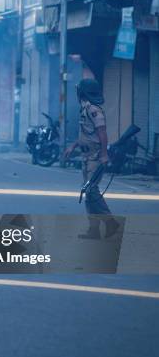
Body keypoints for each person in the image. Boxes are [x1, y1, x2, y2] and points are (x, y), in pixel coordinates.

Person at [64, 79, 120, 239]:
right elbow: (87, 133)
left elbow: (102, 133)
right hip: (86, 156)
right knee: (88, 191)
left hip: (95, 155)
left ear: (82, 92)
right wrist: (73, 146)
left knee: (91, 189)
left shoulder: (94, 110)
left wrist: (104, 154)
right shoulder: (85, 109)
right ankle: (94, 230)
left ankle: (110, 222)